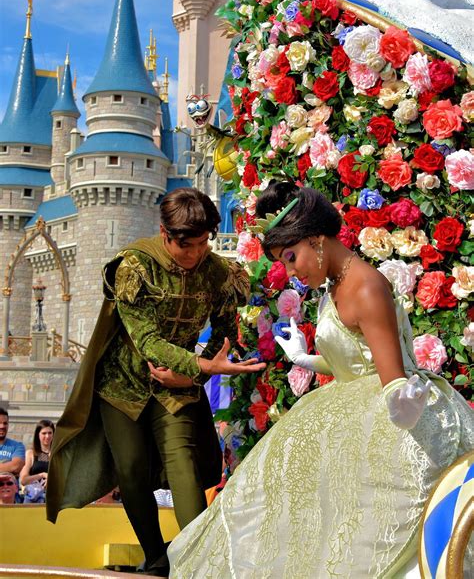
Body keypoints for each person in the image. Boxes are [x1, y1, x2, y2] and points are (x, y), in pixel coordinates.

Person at [168, 180, 474, 578]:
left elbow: (391, 376)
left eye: (291, 257)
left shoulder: (364, 287)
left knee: (363, 531)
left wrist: (402, 403)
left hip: (395, 419)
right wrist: (305, 358)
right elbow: (355, 362)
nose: (291, 271)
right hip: (361, 406)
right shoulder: (337, 285)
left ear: (316, 240)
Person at [46, 187, 265, 577]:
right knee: (130, 468)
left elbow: (224, 332)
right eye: (187, 246)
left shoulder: (216, 272)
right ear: (165, 235)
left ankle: (203, 559)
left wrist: (198, 368)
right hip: (122, 385)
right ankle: (156, 556)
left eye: (203, 244)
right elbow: (146, 340)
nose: (196, 254)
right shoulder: (134, 267)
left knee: (184, 465)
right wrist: (205, 367)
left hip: (177, 385)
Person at [20, 419, 55, 504]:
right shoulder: (31, 454)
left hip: (52, 497)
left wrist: (52, 479)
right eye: (44, 433)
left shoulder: (57, 454)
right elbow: (24, 480)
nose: (47, 436)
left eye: (50, 433)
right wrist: (42, 475)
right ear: (38, 435)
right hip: (33, 498)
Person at [0, 407, 25, 477]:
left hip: (8, 486)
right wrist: (7, 465)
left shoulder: (17, 446)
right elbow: (12, 467)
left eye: (5, 423)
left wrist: (12, 467)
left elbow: (16, 466)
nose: (2, 426)